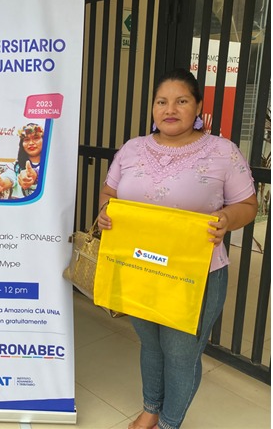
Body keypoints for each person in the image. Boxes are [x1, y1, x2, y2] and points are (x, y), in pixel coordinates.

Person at [97, 68, 257, 429]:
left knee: (181, 353)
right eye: (162, 102)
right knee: (150, 344)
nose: (170, 109)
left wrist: (226, 218)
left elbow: (248, 205)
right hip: (139, 266)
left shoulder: (222, 152)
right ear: (153, 107)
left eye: (181, 101)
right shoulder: (133, 148)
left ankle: (170, 423)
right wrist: (106, 211)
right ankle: (151, 408)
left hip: (194, 273)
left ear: (198, 106)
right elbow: (109, 193)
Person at [0, 123, 44, 198]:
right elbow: (9, 177)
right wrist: (2, 183)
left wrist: (35, 175)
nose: (31, 143)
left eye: (36, 138)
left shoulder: (51, 165)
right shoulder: (15, 166)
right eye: (26, 140)